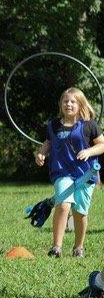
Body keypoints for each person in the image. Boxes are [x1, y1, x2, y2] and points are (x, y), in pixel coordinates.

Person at [34, 87, 104, 258]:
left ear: (80, 105)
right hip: (62, 172)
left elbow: (101, 145)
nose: (69, 104)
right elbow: (48, 142)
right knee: (63, 205)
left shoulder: (90, 126)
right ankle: (56, 247)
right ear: (61, 104)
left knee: (80, 212)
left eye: (73, 101)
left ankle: (78, 247)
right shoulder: (54, 125)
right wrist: (42, 153)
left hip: (86, 174)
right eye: (65, 101)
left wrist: (88, 152)